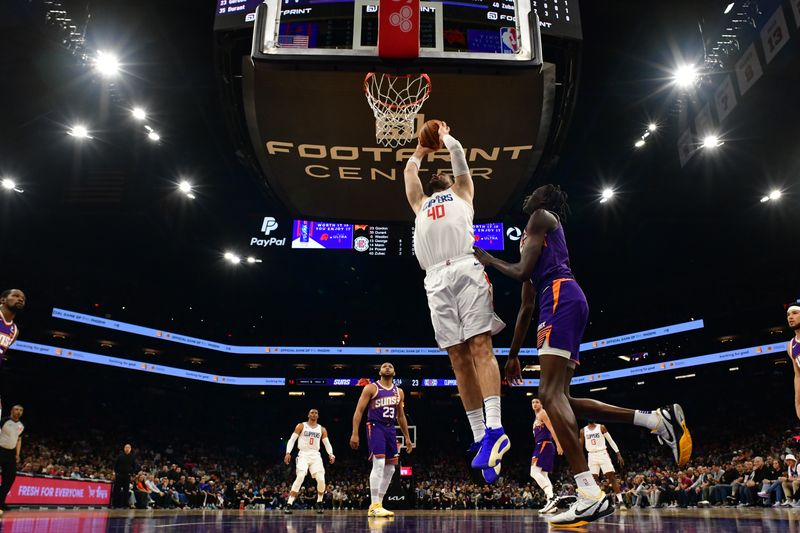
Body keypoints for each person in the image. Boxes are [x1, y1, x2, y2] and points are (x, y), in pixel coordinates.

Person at [474, 184, 692, 526]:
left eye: (536, 191)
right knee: (562, 399)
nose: (529, 194)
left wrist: (486, 259)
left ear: (544, 201)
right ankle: (655, 420)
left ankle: (589, 492)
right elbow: (525, 303)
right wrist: (513, 354)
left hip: (561, 297)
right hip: (556, 301)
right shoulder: (534, 237)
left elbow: (519, 272)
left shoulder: (541, 217)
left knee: (548, 395)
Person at [403, 121, 507, 482]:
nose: (441, 173)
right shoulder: (420, 203)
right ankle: (481, 437)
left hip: (465, 268)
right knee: (457, 358)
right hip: (434, 278)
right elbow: (409, 172)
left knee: (480, 345)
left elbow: (459, 155)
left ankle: (495, 428)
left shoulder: (462, 191)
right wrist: (420, 148)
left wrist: (443, 134)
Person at [350, 362, 412, 517]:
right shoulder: (371, 388)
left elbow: (401, 416)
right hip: (375, 426)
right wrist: (355, 433)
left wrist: (407, 438)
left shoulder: (399, 392)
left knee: (391, 469)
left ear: (395, 372)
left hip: (391, 428)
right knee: (378, 464)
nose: (387, 368)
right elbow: (359, 411)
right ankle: (374, 505)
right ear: (379, 372)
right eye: (384, 366)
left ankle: (378, 504)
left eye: (390, 366)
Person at [283, 408, 335, 514]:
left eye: (316, 413)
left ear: (318, 416)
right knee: (301, 476)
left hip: (315, 455)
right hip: (303, 454)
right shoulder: (301, 426)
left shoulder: (322, 429)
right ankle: (289, 503)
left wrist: (331, 454)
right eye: (312, 412)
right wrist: (288, 452)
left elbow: (327, 443)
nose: (314, 414)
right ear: (308, 415)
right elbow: (292, 440)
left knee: (321, 479)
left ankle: (319, 502)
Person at [530, 398, 563, 514]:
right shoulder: (536, 416)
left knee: (533, 472)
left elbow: (552, 428)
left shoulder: (542, 413)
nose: (535, 404)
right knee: (544, 474)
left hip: (544, 444)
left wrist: (558, 444)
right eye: (533, 402)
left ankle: (552, 497)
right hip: (542, 445)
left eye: (537, 402)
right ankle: (551, 504)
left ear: (542, 404)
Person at [580, 421, 624, 504]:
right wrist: (579, 458)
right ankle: (596, 501)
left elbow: (610, 441)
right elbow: (580, 446)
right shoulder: (583, 430)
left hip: (602, 453)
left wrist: (618, 454)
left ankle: (621, 500)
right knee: (593, 479)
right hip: (591, 455)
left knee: (611, 477)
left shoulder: (601, 427)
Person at [0, 290, 25, 418]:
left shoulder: (14, 331)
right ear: (3, 300)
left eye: (22, 298)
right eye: (15, 296)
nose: (20, 299)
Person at [0, 405, 24, 515]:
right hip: (0, 449)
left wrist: (17, 454)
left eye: (20, 410)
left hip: (11, 454)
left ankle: (1, 502)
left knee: (10, 477)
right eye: (16, 409)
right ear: (11, 410)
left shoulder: (21, 426)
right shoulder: (4, 420)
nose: (18, 411)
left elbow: (19, 440)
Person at [113, 444, 136, 508]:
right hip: (119, 475)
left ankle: (124, 505)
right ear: (124, 448)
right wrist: (115, 473)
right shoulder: (120, 456)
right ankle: (115, 505)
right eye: (126, 447)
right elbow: (115, 465)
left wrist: (131, 474)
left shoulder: (132, 457)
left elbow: (134, 466)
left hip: (127, 476)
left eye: (128, 447)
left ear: (130, 449)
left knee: (126, 491)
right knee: (117, 490)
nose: (127, 449)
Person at [787, 305, 800, 419]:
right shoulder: (791, 345)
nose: (790, 317)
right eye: (788, 314)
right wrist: (797, 402)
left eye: (795, 313)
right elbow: (798, 375)